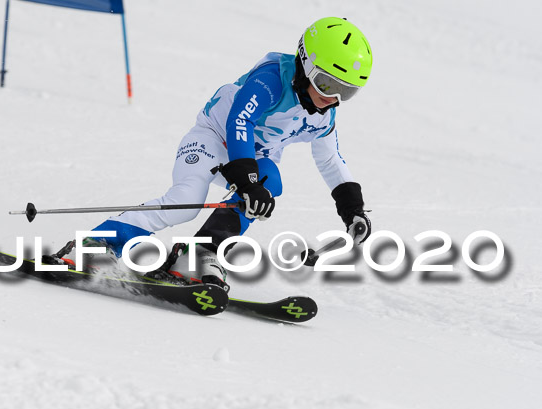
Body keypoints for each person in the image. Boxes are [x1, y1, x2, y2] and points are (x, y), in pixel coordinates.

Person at [48, 17, 374, 289]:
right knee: (185, 201)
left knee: (270, 183)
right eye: (327, 85)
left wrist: (353, 209)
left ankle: (198, 253)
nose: (332, 99)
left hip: (254, 157)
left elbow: (330, 158)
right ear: (305, 64)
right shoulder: (272, 79)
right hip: (213, 139)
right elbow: (239, 121)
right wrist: (247, 180)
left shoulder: (324, 112)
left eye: (346, 91)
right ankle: (98, 242)